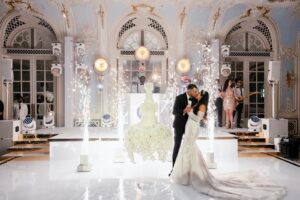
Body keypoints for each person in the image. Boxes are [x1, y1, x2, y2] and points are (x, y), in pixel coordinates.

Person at [170, 91, 286, 200]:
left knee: (190, 147)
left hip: (193, 127)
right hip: (189, 126)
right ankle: (187, 173)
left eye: (199, 93)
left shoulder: (202, 106)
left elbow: (197, 118)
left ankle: (193, 174)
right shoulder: (197, 104)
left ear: (203, 96)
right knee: (187, 148)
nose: (197, 94)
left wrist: (189, 111)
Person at [171, 84, 198, 169]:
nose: (195, 92)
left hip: (190, 126)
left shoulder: (196, 99)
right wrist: (184, 110)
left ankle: (187, 168)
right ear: (189, 90)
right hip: (179, 125)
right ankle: (174, 168)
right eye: (194, 91)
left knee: (189, 146)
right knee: (177, 145)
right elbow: (174, 112)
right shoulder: (179, 98)